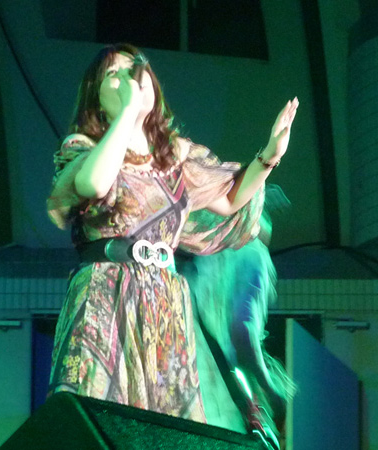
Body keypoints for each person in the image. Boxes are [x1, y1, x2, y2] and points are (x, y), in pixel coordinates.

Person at [46, 43, 298, 442]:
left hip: (164, 302)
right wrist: (127, 114)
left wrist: (269, 155)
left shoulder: (176, 158)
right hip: (107, 293)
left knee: (167, 430)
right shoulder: (84, 148)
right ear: (96, 97)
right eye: (114, 74)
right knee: (97, 417)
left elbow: (230, 199)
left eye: (134, 69)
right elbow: (94, 183)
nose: (128, 77)